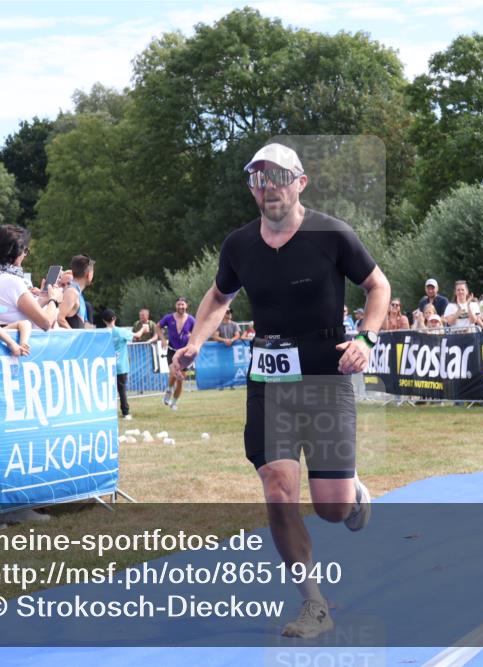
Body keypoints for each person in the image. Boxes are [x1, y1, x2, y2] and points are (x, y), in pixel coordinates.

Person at [168, 143, 390, 639]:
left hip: (326, 377)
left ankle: (351, 494)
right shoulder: (239, 246)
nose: (269, 188)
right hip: (270, 380)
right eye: (259, 180)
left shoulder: (332, 234)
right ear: (252, 188)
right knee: (279, 490)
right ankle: (313, 604)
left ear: (300, 182)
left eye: (279, 178)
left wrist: (368, 338)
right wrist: (196, 342)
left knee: (330, 508)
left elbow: (379, 286)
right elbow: (218, 296)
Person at [0, 225, 63, 330]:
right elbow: (46, 323)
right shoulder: (12, 281)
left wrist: (44, 299)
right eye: (25, 250)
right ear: (16, 251)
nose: (25, 255)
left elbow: (15, 310)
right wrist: (53, 300)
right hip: (22, 343)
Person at [157, 296, 195, 410]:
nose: (181, 306)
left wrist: (191, 336)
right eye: (179, 304)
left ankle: (174, 403)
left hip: (185, 353)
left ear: (186, 306)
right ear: (176, 306)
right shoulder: (169, 318)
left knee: (180, 379)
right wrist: (163, 339)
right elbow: (157, 326)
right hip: (172, 351)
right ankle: (169, 389)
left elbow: (197, 334)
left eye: (183, 304)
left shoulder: (191, 320)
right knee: (174, 372)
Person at [100, 308, 134, 420]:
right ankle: (125, 412)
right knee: (122, 390)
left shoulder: (102, 333)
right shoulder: (120, 331)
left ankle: (106, 412)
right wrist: (143, 330)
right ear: (114, 318)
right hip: (120, 367)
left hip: (106, 366)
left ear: (104, 321)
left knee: (106, 389)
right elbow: (136, 335)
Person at [58, 254, 94, 329]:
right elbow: (59, 318)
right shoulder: (72, 292)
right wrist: (75, 336)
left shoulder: (76, 292)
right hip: (72, 340)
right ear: (89, 275)